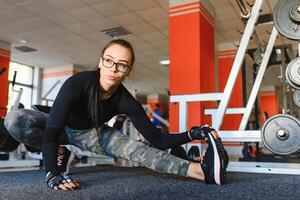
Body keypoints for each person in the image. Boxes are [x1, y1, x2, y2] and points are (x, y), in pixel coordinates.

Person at [4, 39, 228, 191]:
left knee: (140, 152)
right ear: (101, 61)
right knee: (14, 119)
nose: (113, 68)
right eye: (109, 61)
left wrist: (193, 133)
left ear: (128, 71)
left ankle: (200, 171)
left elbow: (157, 140)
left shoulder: (125, 100)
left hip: (92, 133)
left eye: (121, 65)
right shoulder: (77, 84)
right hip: (59, 126)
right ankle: (63, 153)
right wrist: (52, 174)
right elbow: (51, 132)